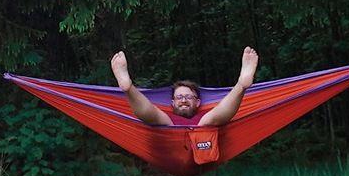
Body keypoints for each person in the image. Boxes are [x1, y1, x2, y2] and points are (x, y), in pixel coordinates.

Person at [109, 47, 259, 127]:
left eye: (188, 97)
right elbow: (153, 114)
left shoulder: (205, 116)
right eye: (179, 97)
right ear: (172, 103)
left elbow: (218, 115)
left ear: (198, 102)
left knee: (209, 120)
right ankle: (128, 87)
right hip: (170, 135)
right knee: (157, 117)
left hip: (203, 133)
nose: (183, 100)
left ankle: (242, 84)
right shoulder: (168, 118)